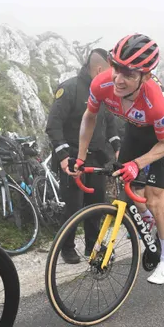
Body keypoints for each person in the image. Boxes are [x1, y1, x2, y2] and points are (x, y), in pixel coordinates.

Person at [69, 33, 164, 285]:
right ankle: (148, 221)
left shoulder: (156, 104)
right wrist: (80, 157)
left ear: (146, 77)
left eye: (129, 74)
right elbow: (89, 117)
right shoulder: (101, 84)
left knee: (153, 198)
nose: (118, 79)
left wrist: (137, 163)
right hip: (133, 131)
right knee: (125, 191)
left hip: (160, 138)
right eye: (116, 67)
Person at [45, 48, 121, 264]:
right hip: (72, 160)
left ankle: (92, 246)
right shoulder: (69, 89)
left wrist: (116, 145)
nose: (114, 77)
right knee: (73, 206)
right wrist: (62, 157)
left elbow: (110, 122)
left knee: (96, 204)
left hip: (96, 159)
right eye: (110, 72)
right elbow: (53, 125)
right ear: (99, 69)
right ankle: (66, 248)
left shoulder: (105, 91)